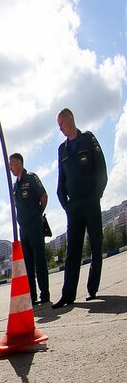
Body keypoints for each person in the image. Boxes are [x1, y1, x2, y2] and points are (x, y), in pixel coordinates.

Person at [52, 108, 108, 309]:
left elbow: (101, 168)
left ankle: (92, 290)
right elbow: (61, 180)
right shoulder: (62, 149)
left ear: (70, 119)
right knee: (72, 253)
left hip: (91, 201)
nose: (60, 128)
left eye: (62, 124)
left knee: (96, 246)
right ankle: (67, 296)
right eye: (58, 126)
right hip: (74, 205)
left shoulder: (88, 139)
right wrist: (66, 205)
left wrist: (97, 194)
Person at [9, 153, 49, 305]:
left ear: (20, 163)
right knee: (28, 265)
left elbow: (44, 196)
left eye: (12, 164)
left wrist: (38, 214)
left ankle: (45, 294)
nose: (10, 167)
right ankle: (32, 296)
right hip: (23, 229)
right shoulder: (15, 186)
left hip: (34, 225)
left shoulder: (31, 178)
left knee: (40, 260)